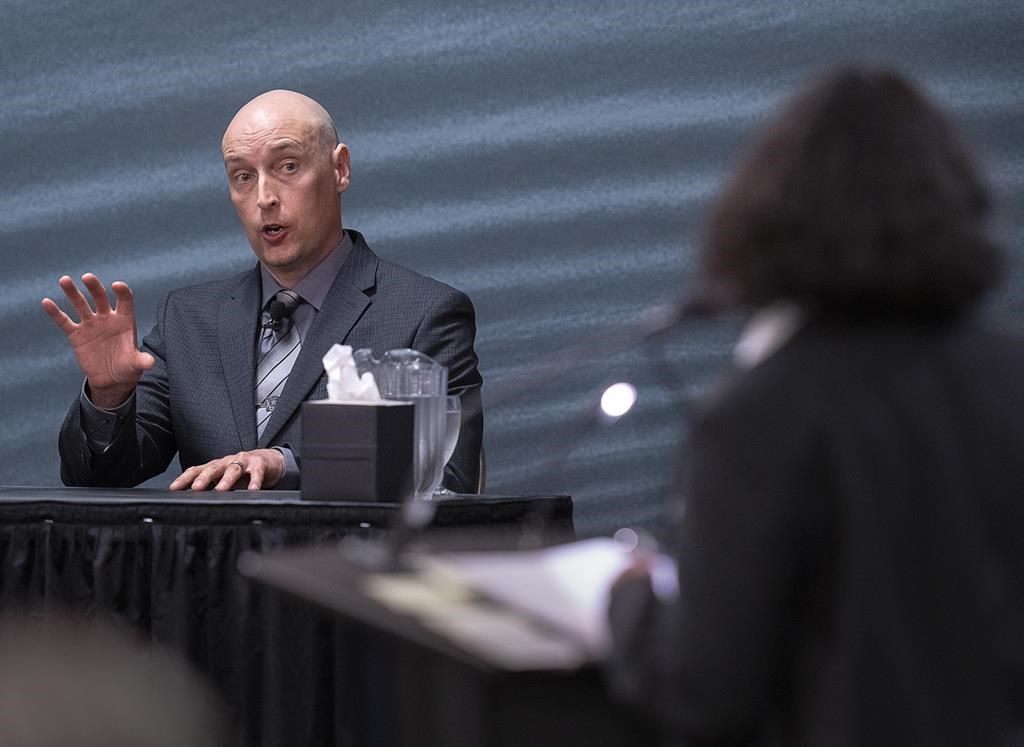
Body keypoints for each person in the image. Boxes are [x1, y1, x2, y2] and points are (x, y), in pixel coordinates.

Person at [605, 67, 1024, 745]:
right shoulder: (1011, 379)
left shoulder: (759, 416)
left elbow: (704, 693)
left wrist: (626, 600)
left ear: (766, 214)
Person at [43, 90, 482, 493]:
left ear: (339, 168)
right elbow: (97, 477)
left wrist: (286, 464)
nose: (264, 198)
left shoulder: (423, 313)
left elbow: (448, 478)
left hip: (340, 572)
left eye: (287, 166)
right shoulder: (188, 318)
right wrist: (108, 397)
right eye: (242, 176)